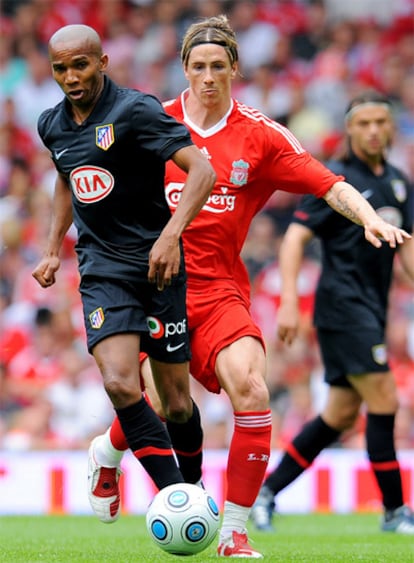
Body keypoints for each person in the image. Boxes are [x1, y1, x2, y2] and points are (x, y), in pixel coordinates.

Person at [89, 17, 411, 558]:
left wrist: (368, 218)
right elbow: (92, 178)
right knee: (167, 408)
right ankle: (107, 451)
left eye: (218, 66)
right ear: (184, 70)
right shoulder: (152, 122)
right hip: (156, 288)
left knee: (254, 391)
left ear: (235, 68)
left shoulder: (259, 134)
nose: (209, 77)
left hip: (219, 292)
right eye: (198, 67)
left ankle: (235, 534)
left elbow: (327, 182)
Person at [31, 23, 216, 519]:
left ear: (103, 61)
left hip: (159, 268)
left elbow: (202, 171)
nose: (71, 76)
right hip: (102, 268)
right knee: (119, 383)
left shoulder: (135, 110)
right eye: (60, 68)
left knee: (176, 403)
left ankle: (192, 489)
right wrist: (52, 249)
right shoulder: (52, 124)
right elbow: (67, 180)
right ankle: (181, 501)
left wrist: (171, 235)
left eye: (80, 64)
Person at [251, 90, 414, 535]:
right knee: (385, 398)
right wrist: (287, 299)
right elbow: (294, 239)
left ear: (391, 126)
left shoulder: (400, 182)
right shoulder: (335, 180)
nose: (374, 131)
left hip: (372, 310)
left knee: (340, 415)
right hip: (341, 307)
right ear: (349, 129)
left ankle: (265, 493)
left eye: (381, 121)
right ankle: (396, 512)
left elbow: (409, 259)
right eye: (364, 123)